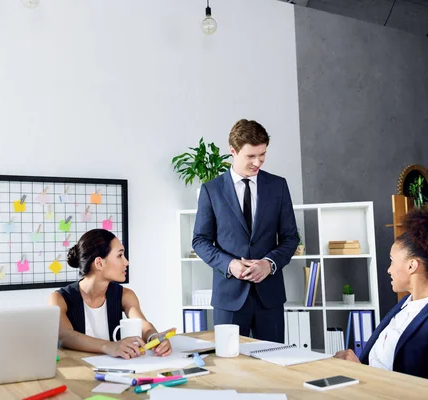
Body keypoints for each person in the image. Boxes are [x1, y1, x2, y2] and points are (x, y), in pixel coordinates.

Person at [335, 207, 428, 387]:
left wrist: (363, 375)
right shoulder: (403, 306)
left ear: (412, 266)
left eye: (392, 261)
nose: (389, 269)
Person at [192, 119, 299, 342]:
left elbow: (291, 238)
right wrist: (229, 264)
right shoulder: (211, 190)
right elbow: (200, 240)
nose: (258, 162)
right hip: (229, 297)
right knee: (230, 368)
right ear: (233, 151)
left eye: (262, 155)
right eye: (251, 156)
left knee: (273, 366)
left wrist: (269, 264)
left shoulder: (278, 186)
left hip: (269, 298)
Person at [49, 229, 173, 359]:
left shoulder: (126, 295)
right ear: (99, 263)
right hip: (77, 370)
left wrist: (154, 337)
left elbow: (143, 325)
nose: (126, 262)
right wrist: (108, 346)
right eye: (120, 256)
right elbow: (65, 336)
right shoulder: (59, 298)